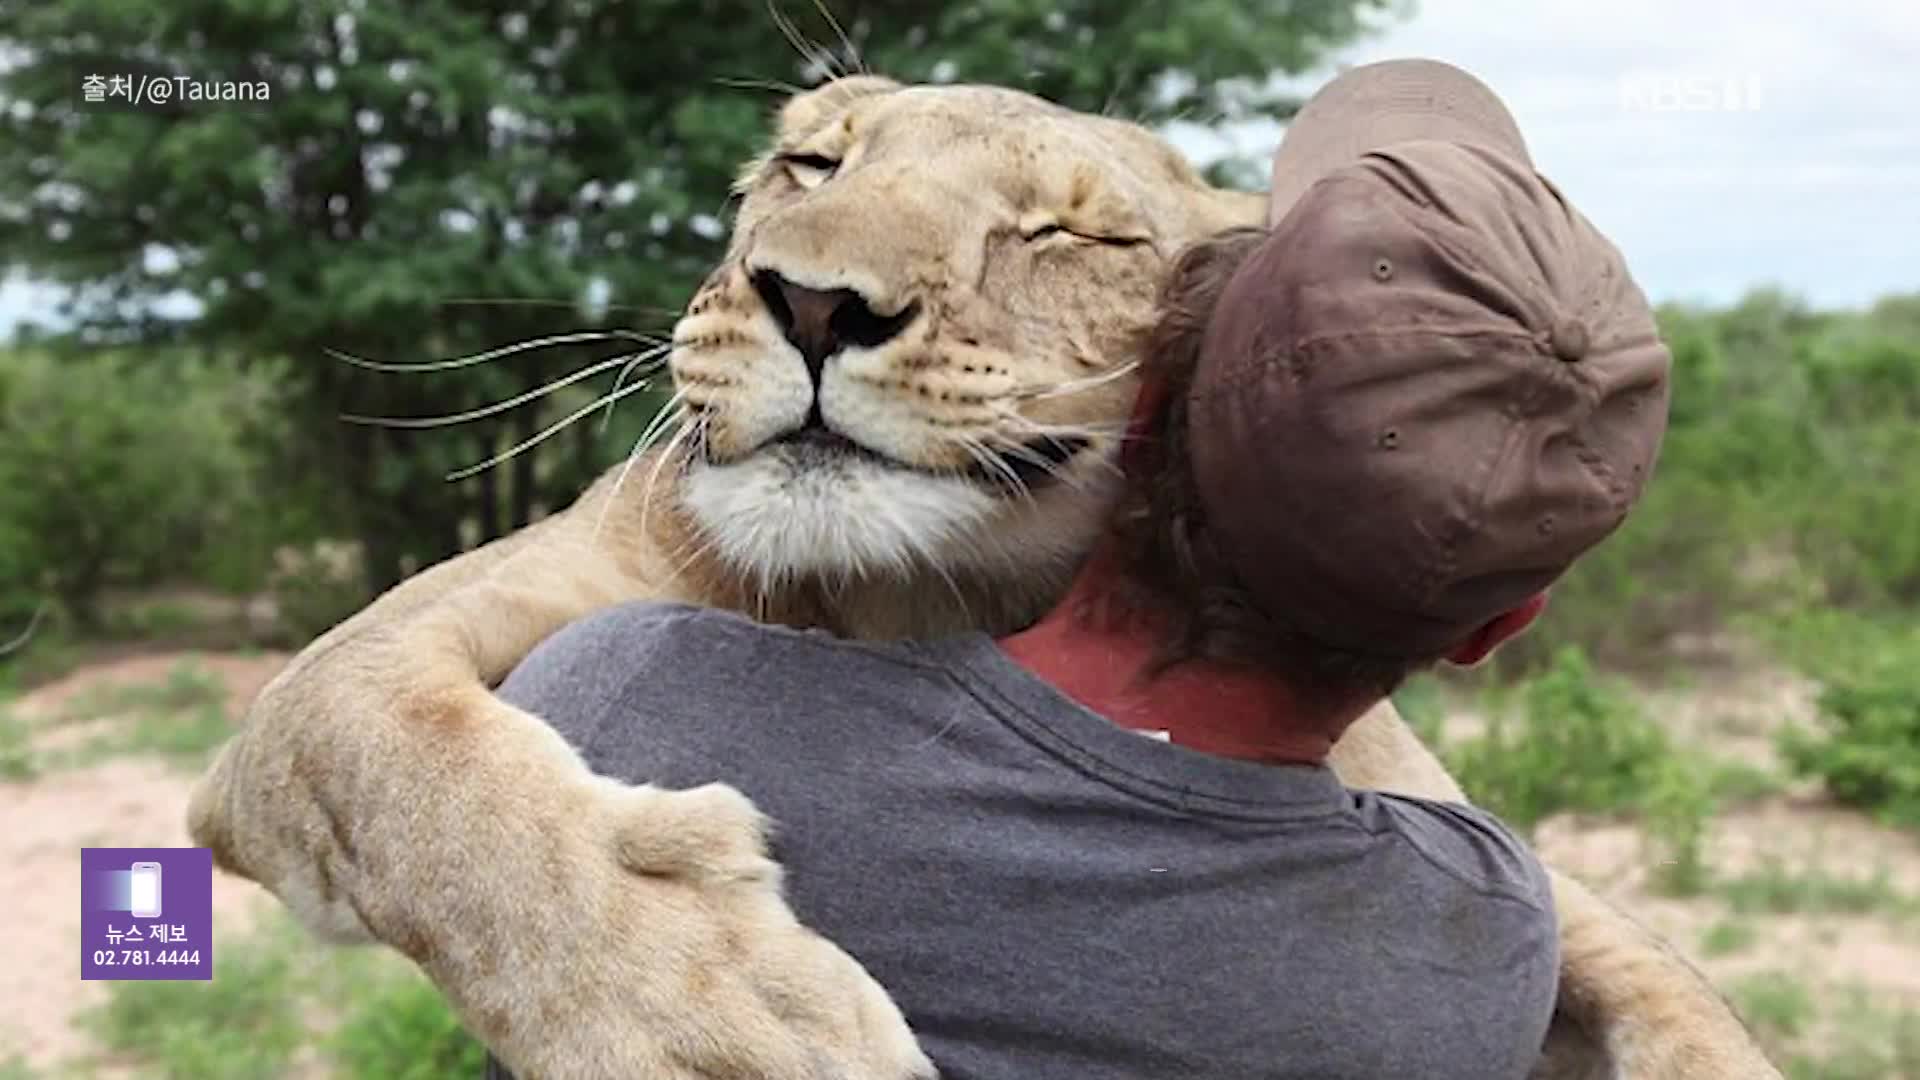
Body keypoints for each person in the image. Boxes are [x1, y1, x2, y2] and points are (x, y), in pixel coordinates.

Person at [484, 57, 1670, 1080]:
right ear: (1502, 623)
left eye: (1081, 241)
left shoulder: (631, 699)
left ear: (1155, 389)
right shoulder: (1484, 944)